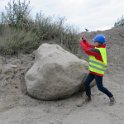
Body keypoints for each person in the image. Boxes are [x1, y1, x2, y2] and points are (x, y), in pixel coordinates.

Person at [78, 34, 115, 106]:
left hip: (98, 73)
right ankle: (88, 97)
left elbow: (87, 50)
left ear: (99, 43)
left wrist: (81, 42)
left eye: (95, 41)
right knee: (86, 83)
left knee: (100, 87)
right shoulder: (97, 47)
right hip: (92, 71)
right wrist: (84, 40)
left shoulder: (98, 51)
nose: (94, 42)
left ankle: (111, 97)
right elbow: (89, 46)